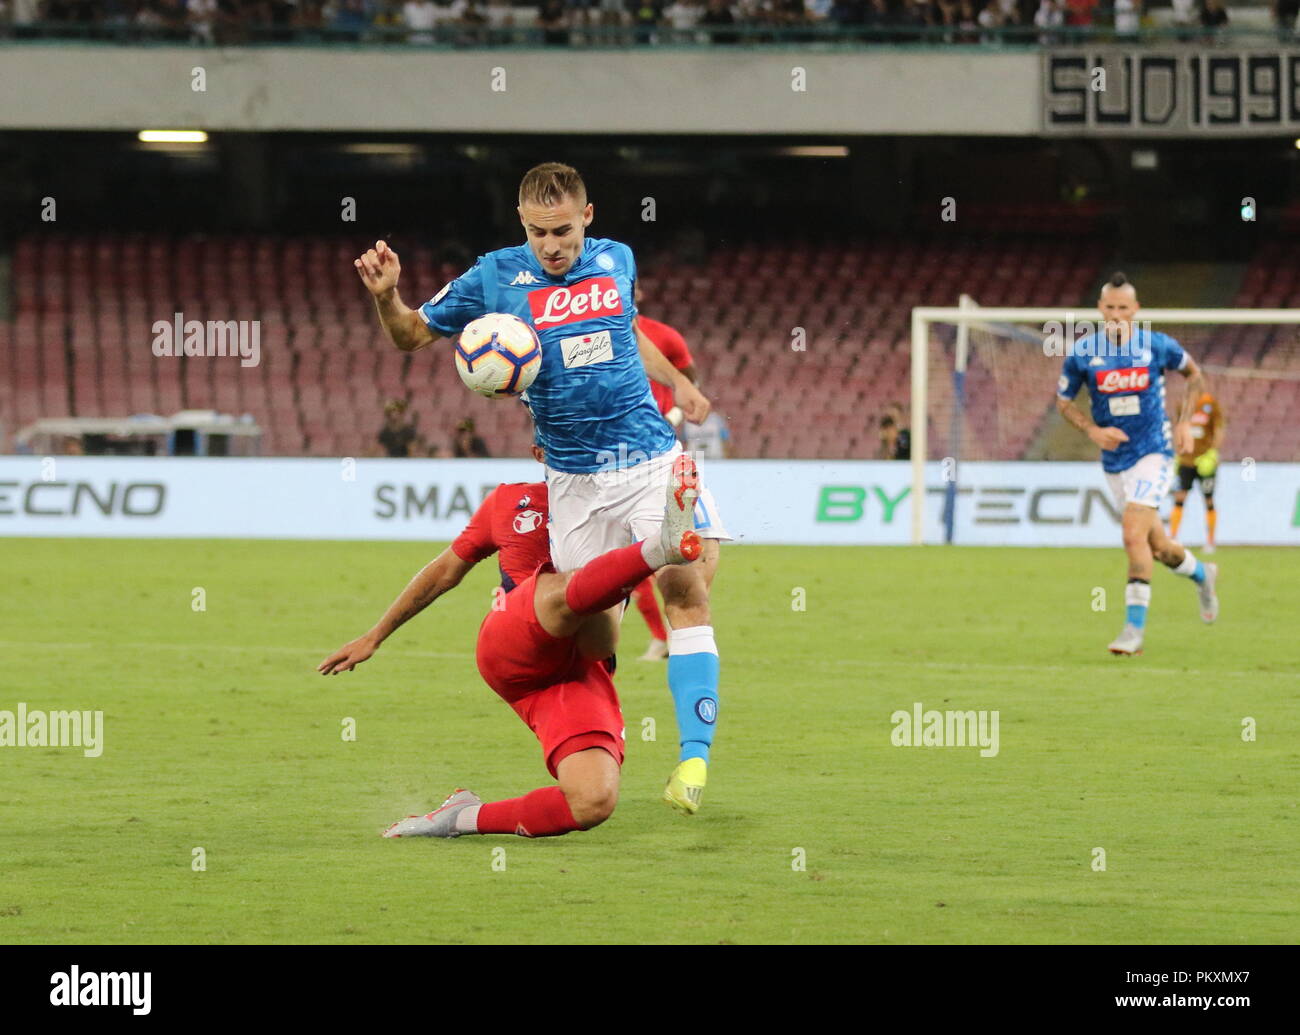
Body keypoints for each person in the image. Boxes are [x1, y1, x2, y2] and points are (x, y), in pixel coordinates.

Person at [353, 162, 729, 815]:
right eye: (537, 232)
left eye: (562, 230)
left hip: (648, 457)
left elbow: (627, 329)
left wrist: (682, 382)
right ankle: (584, 736)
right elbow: (413, 334)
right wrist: (387, 296)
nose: (551, 245)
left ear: (586, 217)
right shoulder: (493, 276)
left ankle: (693, 759)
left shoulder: (617, 258)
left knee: (684, 589)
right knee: (593, 638)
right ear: (521, 225)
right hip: (575, 482)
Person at [319, 455, 703, 838]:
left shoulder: (627, 503)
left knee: (592, 801)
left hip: (581, 664)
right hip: (515, 645)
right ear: (542, 451)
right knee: (563, 591)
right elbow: (444, 572)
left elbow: (693, 576)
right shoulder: (509, 502)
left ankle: (458, 818)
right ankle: (660, 546)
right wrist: (375, 636)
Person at [1054, 272, 1219, 656]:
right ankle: (1202, 573)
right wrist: (1093, 431)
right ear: (1099, 308)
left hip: (1155, 452)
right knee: (1158, 546)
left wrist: (1183, 424)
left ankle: (1133, 630)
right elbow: (1063, 401)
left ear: (1135, 310)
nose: (1115, 315)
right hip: (1115, 461)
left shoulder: (1156, 346)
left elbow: (1195, 377)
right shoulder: (1082, 354)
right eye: (1109, 307)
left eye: (1123, 308)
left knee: (1131, 536)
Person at [1169, 391, 1224, 554]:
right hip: (1186, 460)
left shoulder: (1211, 403)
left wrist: (1213, 452)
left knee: (1208, 500)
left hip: (1204, 460)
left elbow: (1218, 429)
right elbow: (1178, 428)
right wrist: (1178, 449)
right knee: (1179, 498)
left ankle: (1210, 541)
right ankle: (1172, 538)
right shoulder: (1182, 404)